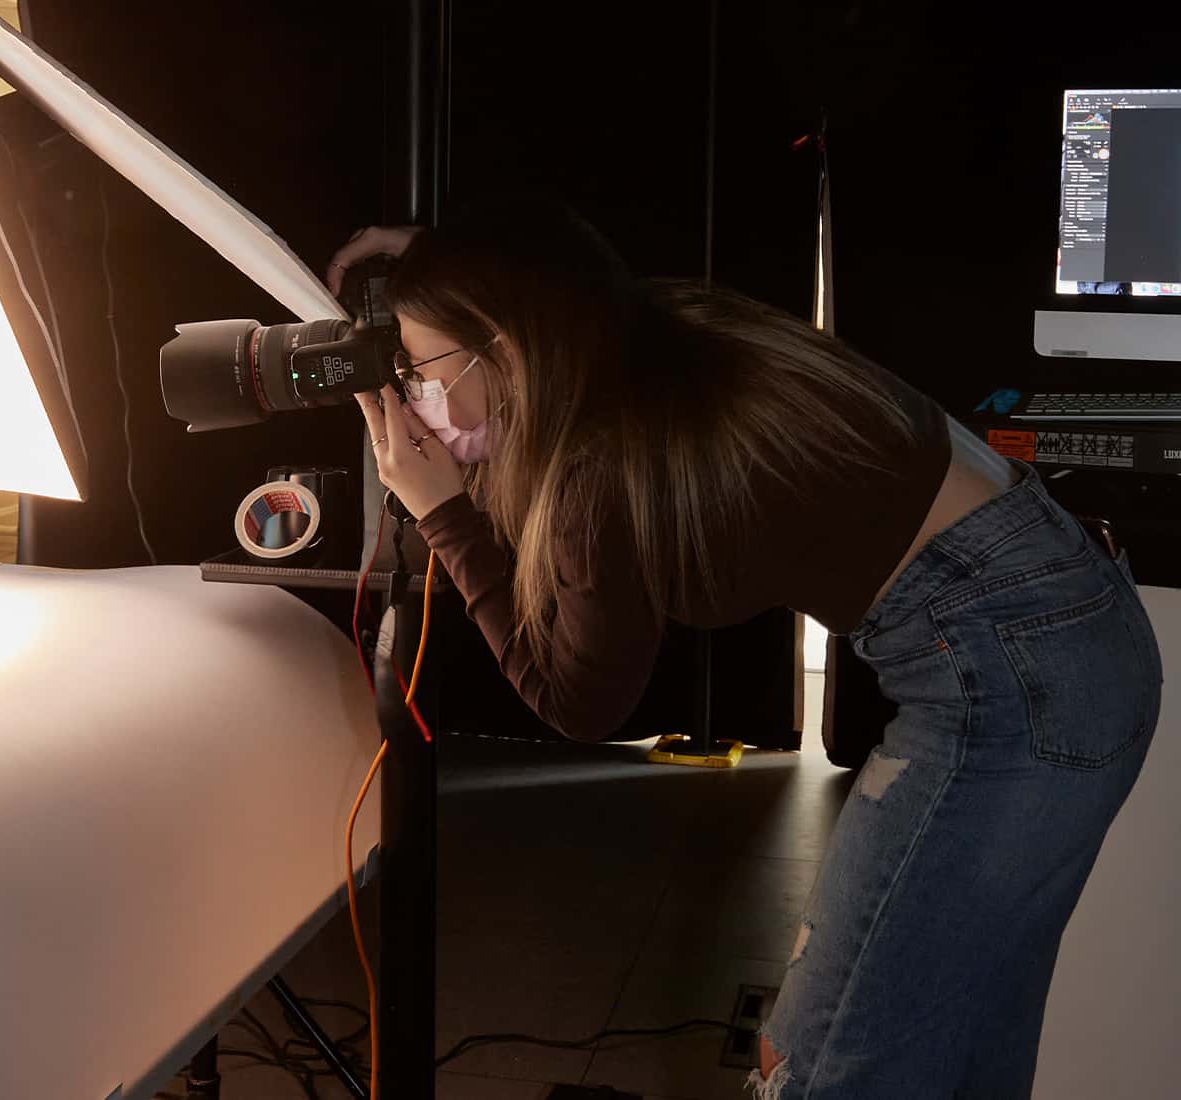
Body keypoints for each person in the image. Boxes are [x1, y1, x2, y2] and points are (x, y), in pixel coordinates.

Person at [326, 197, 1163, 1100]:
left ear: (506, 344)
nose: (416, 394)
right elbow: (549, 285)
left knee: (826, 1066)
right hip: (1062, 630)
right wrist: (435, 265)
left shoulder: (604, 465)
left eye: (420, 367)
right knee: (956, 1049)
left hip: (1017, 677)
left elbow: (577, 702)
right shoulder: (652, 331)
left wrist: (443, 513)